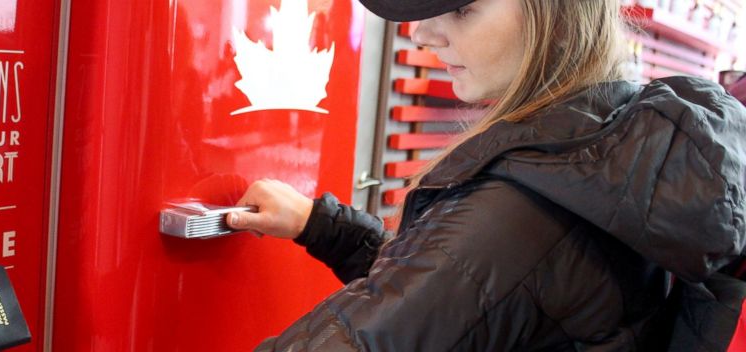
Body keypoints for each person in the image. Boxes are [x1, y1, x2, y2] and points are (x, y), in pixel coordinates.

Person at [226, 0, 746, 350]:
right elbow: (482, 295)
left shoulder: (516, 216)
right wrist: (324, 227)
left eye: (461, 8)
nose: (423, 33)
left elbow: (476, 270)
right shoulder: (612, 145)